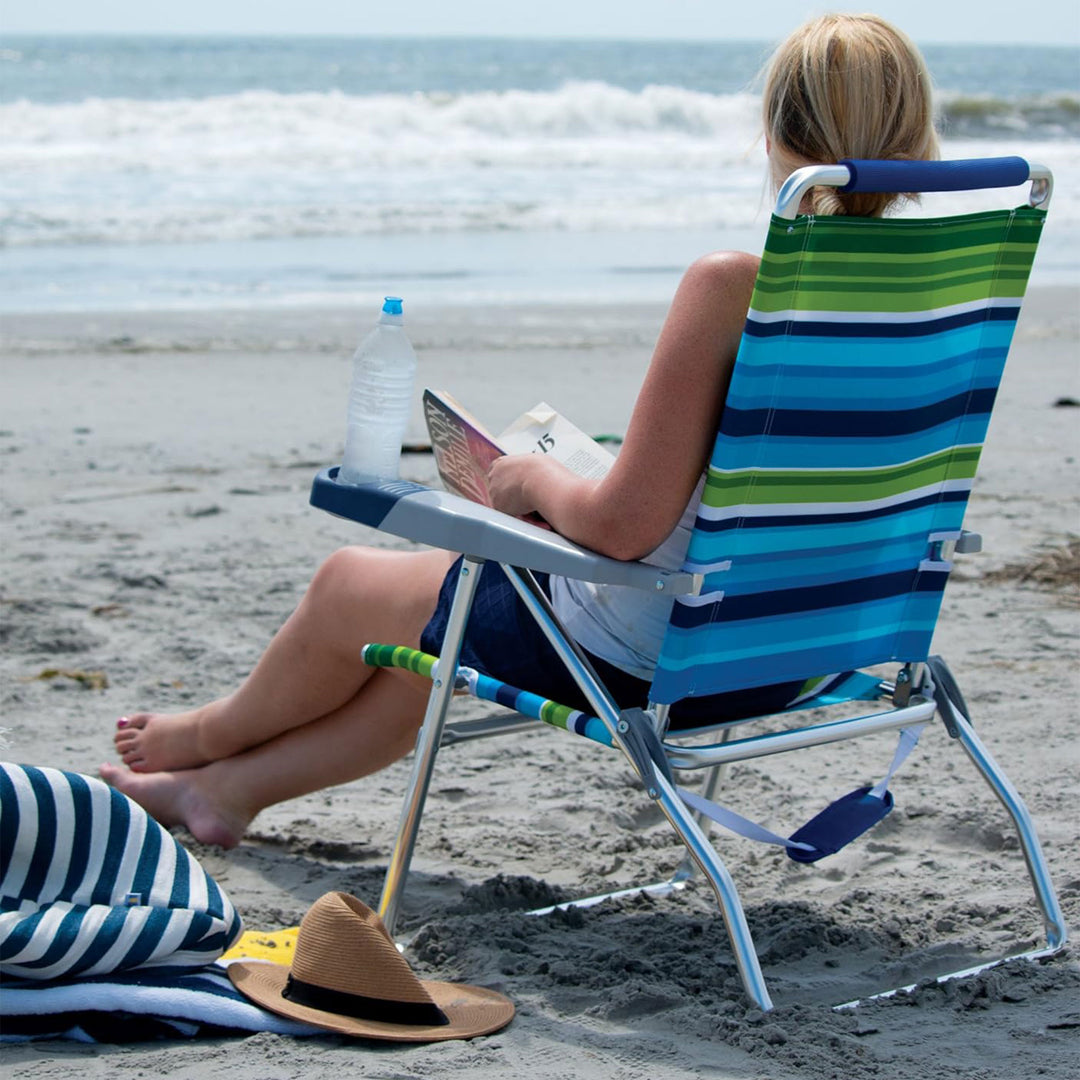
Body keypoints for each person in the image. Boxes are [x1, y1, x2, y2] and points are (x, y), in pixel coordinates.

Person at [101, 14, 939, 849]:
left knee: (352, 585)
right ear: (918, 131)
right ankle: (225, 793)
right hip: (806, 652)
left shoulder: (736, 286)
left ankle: (204, 736)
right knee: (433, 624)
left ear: (777, 134)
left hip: (661, 658)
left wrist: (536, 484)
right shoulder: (947, 294)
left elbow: (621, 527)